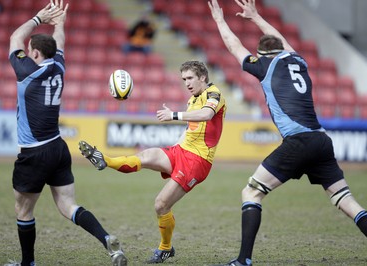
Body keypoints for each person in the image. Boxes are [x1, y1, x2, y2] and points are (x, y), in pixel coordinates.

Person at [208, 0, 367, 265]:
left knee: (251, 193)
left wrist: (220, 21)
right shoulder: (298, 60)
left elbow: (235, 47)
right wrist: (256, 17)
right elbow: (280, 41)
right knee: (346, 200)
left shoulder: (264, 66)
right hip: (321, 140)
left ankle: (243, 260)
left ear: (263, 55)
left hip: (298, 141)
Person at [6, 1, 127, 265]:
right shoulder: (59, 65)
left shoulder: (27, 71)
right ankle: (107, 240)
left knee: (23, 209)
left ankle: (28, 263)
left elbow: (15, 36)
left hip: (34, 152)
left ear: (35, 53)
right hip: (58, 148)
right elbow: (59, 40)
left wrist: (40, 17)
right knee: (67, 204)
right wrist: (60, 20)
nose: (26, 52)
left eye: (29, 51)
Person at [79, 60, 226, 263]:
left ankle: (166, 248)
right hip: (181, 151)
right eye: (184, 79)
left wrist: (173, 115)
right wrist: (174, 149)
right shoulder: (193, 99)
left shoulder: (213, 93)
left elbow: (207, 114)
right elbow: (189, 130)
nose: (187, 83)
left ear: (202, 77)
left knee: (161, 205)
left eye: (190, 78)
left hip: (198, 161)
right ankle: (104, 159)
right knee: (146, 156)